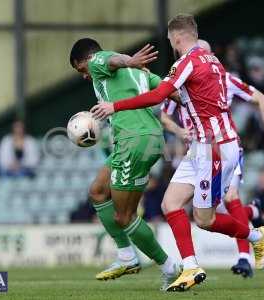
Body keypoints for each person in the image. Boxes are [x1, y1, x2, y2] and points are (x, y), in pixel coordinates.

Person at [91, 14, 264, 291]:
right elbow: (185, 98)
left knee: (205, 219)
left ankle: (256, 236)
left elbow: (160, 96)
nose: (170, 43)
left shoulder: (186, 62)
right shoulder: (213, 61)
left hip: (215, 149)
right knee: (170, 204)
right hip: (203, 147)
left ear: (177, 37)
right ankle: (191, 267)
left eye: (170, 39)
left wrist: (115, 106)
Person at [69, 39, 181, 290]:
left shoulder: (99, 61)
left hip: (134, 140)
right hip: (144, 140)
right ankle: (127, 255)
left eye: (81, 71)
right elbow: (169, 91)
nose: (85, 76)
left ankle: (168, 267)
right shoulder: (139, 73)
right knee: (98, 191)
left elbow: (109, 60)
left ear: (83, 61)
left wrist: (128, 59)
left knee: (124, 216)